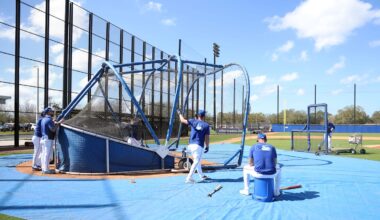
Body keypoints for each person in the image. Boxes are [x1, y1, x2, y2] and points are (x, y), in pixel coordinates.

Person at [178, 109, 210, 183]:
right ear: (203, 116)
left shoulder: (193, 121)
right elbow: (207, 137)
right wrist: (207, 146)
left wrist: (179, 113)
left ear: (197, 115)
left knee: (198, 159)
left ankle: (202, 175)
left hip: (191, 145)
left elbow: (182, 120)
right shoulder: (206, 125)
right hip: (198, 146)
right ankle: (189, 178)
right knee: (196, 161)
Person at [40, 107, 59, 174]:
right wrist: (57, 124)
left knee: (44, 154)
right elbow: (53, 129)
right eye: (51, 111)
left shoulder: (43, 119)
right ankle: (45, 169)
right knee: (46, 154)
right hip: (47, 139)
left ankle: (44, 168)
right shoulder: (48, 120)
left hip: (44, 138)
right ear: (48, 112)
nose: (52, 112)